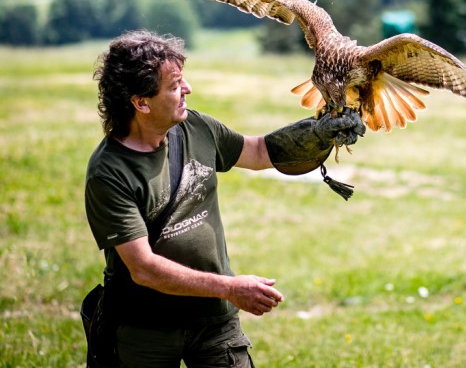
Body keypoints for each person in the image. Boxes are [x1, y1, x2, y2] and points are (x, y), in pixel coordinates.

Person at [84, 30, 365, 367]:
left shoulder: (195, 128)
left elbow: (260, 151)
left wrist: (318, 132)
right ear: (141, 102)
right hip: (146, 328)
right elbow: (143, 269)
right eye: (174, 86)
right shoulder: (109, 172)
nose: (187, 90)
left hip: (214, 322)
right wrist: (230, 288)